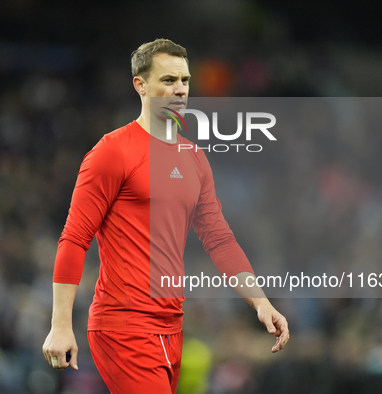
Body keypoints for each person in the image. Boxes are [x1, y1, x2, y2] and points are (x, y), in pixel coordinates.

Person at [42, 38, 289, 394]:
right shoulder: (112, 152)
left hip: (171, 328)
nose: (180, 90)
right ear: (139, 85)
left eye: (185, 81)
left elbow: (218, 238)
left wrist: (261, 302)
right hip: (123, 327)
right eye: (168, 80)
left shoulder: (194, 157)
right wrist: (61, 324)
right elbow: (74, 237)